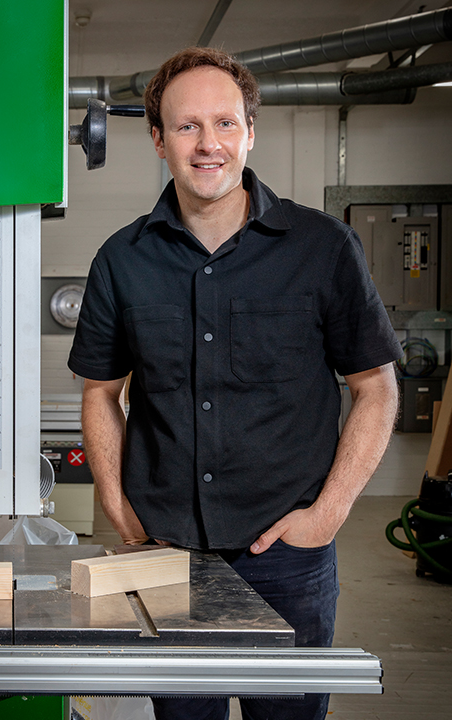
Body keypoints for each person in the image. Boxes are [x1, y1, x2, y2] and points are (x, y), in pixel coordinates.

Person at [68, 47, 401, 720]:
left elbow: (376, 386)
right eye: (186, 126)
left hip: (288, 554)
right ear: (158, 140)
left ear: (250, 131)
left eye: (224, 123)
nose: (207, 143)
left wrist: (329, 513)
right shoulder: (121, 260)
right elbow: (102, 393)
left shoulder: (323, 247)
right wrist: (116, 502)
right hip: (168, 551)